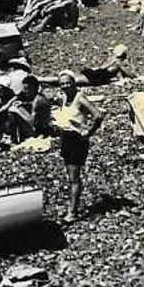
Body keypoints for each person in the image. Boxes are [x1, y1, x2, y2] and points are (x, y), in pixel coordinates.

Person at [54, 72, 103, 223]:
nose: (65, 86)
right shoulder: (63, 98)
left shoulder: (80, 98)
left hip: (77, 140)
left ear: (74, 83)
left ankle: (73, 212)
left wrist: (89, 133)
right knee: (71, 176)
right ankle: (73, 206)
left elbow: (98, 115)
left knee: (74, 178)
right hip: (66, 138)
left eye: (68, 83)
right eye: (62, 83)